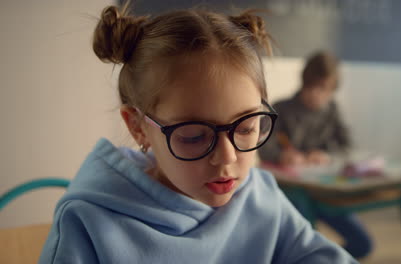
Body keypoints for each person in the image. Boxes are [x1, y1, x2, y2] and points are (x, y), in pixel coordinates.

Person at [38, 4, 357, 264]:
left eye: (246, 127)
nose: (227, 157)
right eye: (193, 135)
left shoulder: (259, 195)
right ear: (137, 126)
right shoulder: (87, 224)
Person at [258, 51, 373, 259]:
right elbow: (263, 145)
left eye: (323, 89)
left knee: (363, 244)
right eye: (311, 87)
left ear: (332, 90)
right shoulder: (282, 108)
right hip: (291, 194)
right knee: (300, 243)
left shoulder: (332, 111)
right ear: (303, 83)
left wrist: (326, 156)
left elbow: (347, 146)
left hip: (324, 194)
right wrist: (281, 156)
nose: (316, 94)